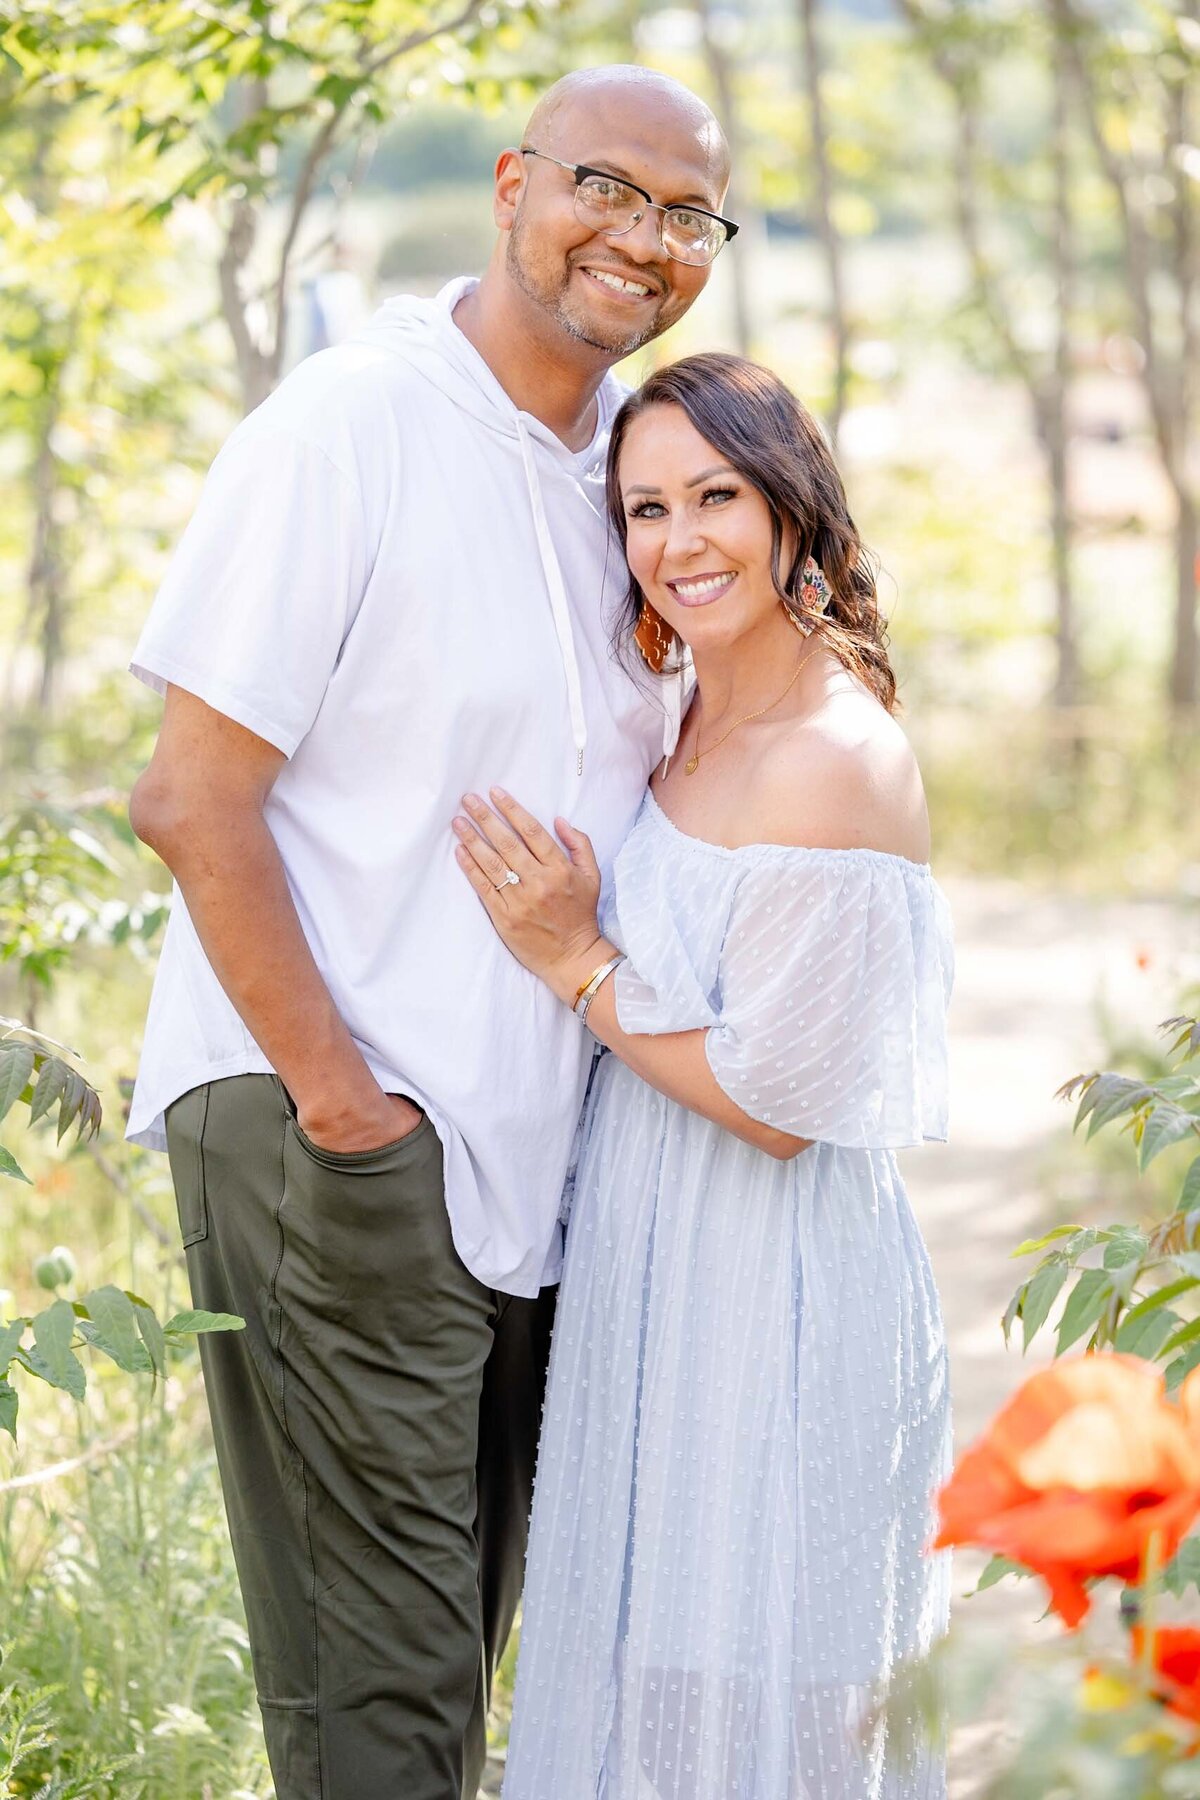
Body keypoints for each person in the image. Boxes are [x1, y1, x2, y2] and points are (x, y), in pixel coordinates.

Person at [125, 67, 736, 1800]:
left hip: (530, 1171)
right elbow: (190, 796)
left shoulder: (624, 476)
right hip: (343, 1130)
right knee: (383, 1711)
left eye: (688, 215)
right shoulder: (351, 426)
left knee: (450, 1673)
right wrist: (343, 1108)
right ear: (512, 185)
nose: (643, 237)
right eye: (608, 188)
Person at [452, 353, 954, 1800]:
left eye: (717, 497)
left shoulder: (835, 758)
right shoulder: (684, 717)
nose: (679, 544)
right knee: (654, 1674)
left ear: (793, 509)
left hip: (777, 1278)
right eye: (645, 507)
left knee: (767, 1684)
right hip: (653, 1256)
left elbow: (782, 1108)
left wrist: (575, 961)